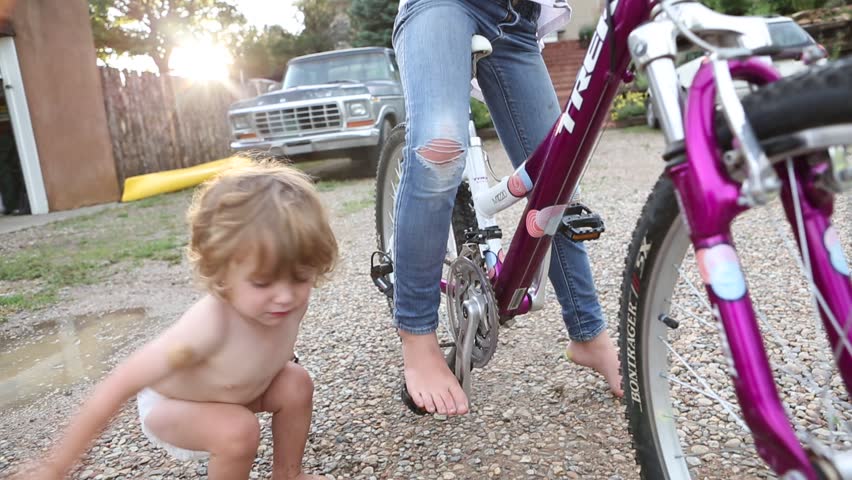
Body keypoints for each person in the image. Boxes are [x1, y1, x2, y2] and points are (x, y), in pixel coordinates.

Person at [19, 160, 338, 480]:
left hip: (237, 392)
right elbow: (118, 385)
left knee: (296, 382)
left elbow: (273, 353)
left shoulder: (289, 304)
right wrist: (54, 466)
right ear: (222, 272)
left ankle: (288, 474)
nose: (284, 297)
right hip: (174, 405)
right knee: (238, 430)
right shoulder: (209, 326)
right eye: (262, 282)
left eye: (299, 277)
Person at [391, 0, 623, 416]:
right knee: (439, 149)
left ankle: (588, 335)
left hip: (517, 17)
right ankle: (418, 337)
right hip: (442, 6)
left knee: (559, 169)